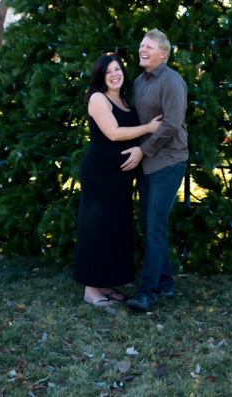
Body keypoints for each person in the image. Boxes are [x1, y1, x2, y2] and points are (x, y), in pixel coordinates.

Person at [73, 53, 163, 308]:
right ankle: (91, 290)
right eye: (109, 71)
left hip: (121, 176)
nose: (115, 74)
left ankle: (104, 283)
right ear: (101, 76)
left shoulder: (122, 98)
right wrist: (148, 129)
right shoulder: (98, 99)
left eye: (118, 69)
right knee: (97, 228)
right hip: (101, 174)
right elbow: (113, 133)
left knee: (114, 229)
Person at [122, 29, 188, 313]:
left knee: (155, 226)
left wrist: (143, 150)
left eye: (149, 46)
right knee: (152, 225)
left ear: (164, 53)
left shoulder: (172, 81)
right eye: (141, 45)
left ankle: (146, 292)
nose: (142, 49)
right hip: (147, 162)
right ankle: (165, 281)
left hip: (168, 161)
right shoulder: (138, 81)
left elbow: (172, 124)